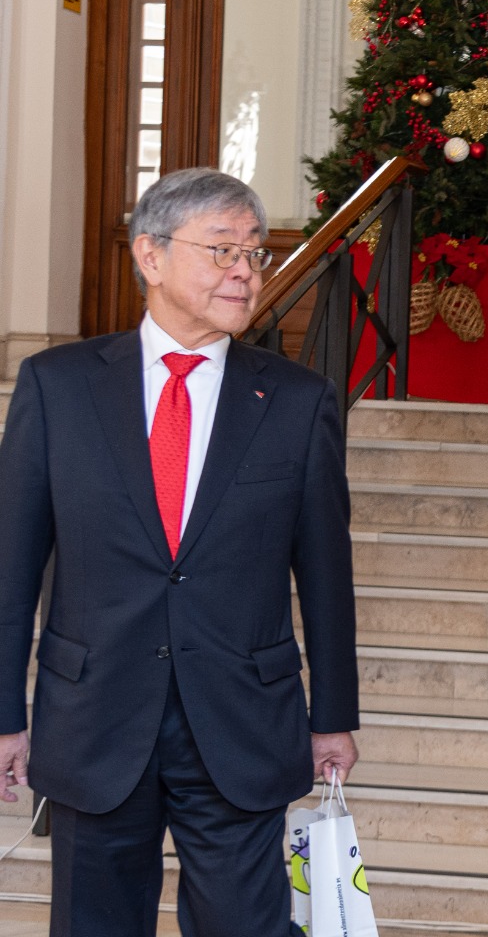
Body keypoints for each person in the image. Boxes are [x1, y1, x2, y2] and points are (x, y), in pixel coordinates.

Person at [0, 168, 360, 935]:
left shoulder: (297, 402)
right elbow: (10, 568)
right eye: (222, 249)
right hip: (95, 720)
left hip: (239, 722)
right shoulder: (57, 387)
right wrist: (4, 713)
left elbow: (328, 577)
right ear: (151, 256)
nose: (245, 271)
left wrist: (333, 716)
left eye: (255, 253)